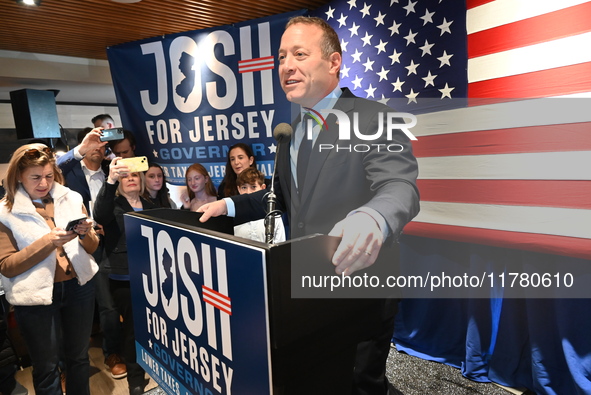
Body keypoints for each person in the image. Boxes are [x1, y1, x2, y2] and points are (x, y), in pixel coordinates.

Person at [198, 16, 420, 395]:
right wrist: (229, 206)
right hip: (307, 287)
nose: (286, 65)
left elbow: (399, 187)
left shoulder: (372, 117)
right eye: (281, 57)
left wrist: (373, 215)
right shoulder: (292, 130)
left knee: (360, 384)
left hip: (360, 290)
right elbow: (280, 197)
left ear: (334, 63)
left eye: (300, 54)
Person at [0, 143, 100, 395]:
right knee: (46, 367)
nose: (43, 183)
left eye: (47, 175)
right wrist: (47, 243)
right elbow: (7, 267)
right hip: (35, 299)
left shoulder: (71, 197)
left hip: (79, 288)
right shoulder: (5, 212)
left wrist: (87, 233)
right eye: (35, 177)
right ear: (18, 176)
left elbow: (91, 248)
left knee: (79, 359)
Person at [57, 127, 127, 380]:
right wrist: (78, 151)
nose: (99, 147)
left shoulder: (113, 170)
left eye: (103, 143)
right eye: (94, 143)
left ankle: (112, 353)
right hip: (73, 247)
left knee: (107, 306)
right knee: (70, 310)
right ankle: (67, 367)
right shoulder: (68, 172)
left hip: (106, 246)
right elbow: (52, 170)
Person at [93, 159, 156, 395]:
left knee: (154, 328)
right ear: (119, 181)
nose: (131, 179)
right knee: (132, 330)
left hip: (153, 278)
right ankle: (135, 379)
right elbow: (99, 213)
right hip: (124, 279)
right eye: (125, 176)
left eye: (135, 176)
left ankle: (158, 368)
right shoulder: (112, 205)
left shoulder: (151, 206)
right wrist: (109, 181)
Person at [233, 168, 285, 243]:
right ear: (238, 189)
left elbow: (280, 245)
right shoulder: (234, 214)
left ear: (263, 188)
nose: (248, 192)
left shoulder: (273, 214)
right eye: (244, 187)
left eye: (253, 187)